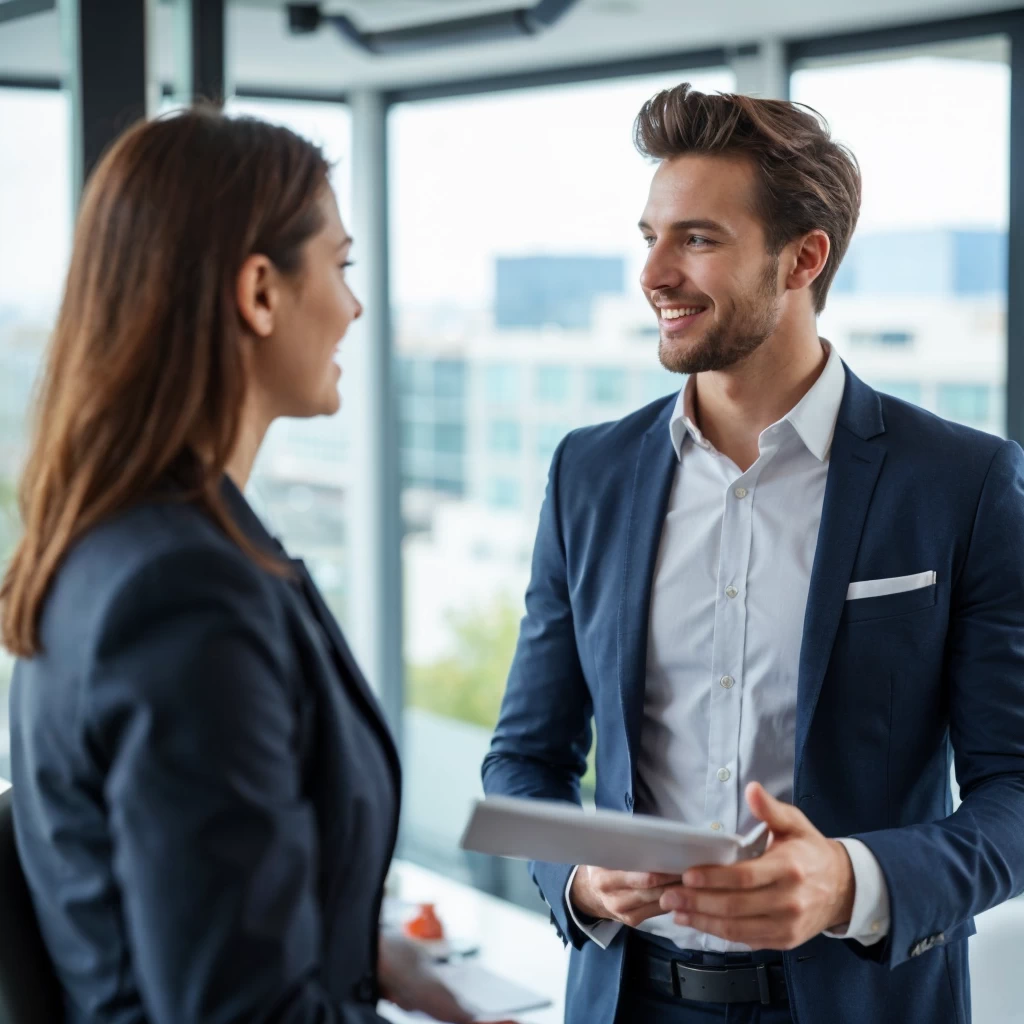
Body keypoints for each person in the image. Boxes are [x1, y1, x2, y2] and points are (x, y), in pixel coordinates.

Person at [482, 83, 1024, 1024]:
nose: (653, 273)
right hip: (629, 1001)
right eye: (649, 234)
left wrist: (848, 881)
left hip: (862, 1002)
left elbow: (1016, 791)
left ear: (802, 258)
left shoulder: (963, 482)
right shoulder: (588, 473)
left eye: (696, 238)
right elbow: (521, 764)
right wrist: (580, 874)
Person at [0, 108, 501, 1024]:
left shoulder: (123, 542)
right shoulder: (183, 594)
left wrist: (370, 958)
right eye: (341, 267)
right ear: (260, 292)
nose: (354, 306)